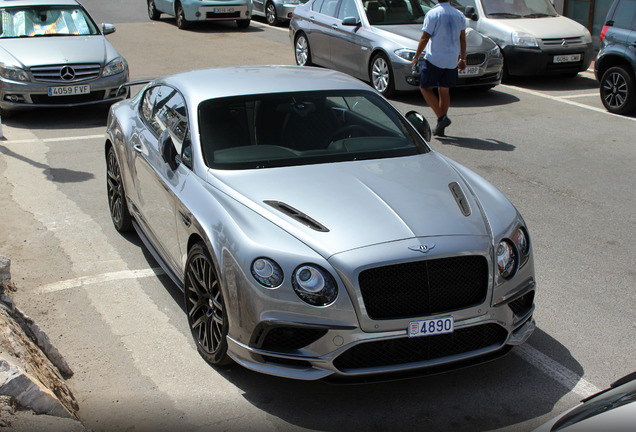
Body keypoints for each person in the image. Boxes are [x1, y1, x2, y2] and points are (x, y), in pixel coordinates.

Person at [410, 0, 466, 137]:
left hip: (435, 58)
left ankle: (442, 118)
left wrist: (416, 57)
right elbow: (462, 38)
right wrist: (463, 58)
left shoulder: (433, 14)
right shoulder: (459, 14)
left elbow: (425, 37)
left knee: (424, 87)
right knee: (444, 90)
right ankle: (441, 127)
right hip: (452, 59)